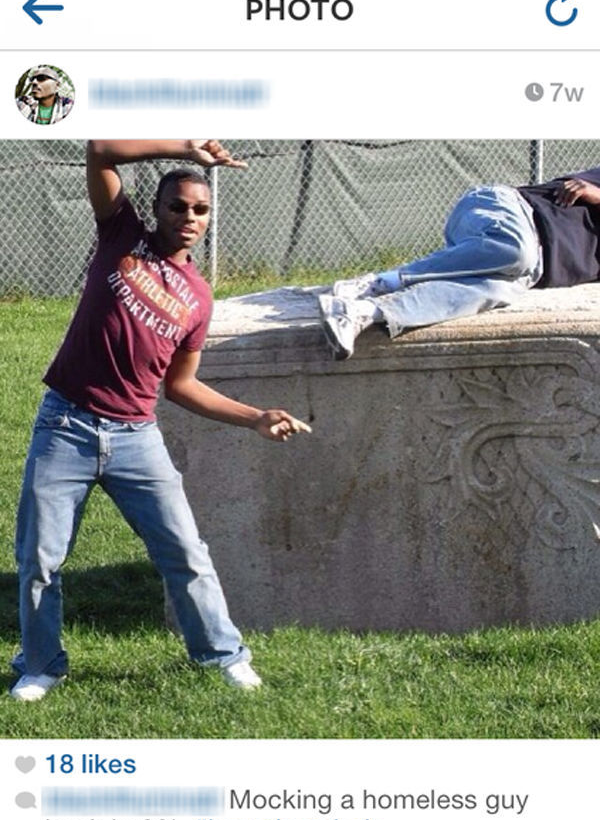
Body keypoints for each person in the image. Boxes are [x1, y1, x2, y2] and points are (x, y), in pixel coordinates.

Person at [11, 139, 310, 701]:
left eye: (200, 210)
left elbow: (181, 385)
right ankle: (41, 665)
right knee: (40, 559)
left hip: (135, 438)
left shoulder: (198, 296)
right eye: (178, 206)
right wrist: (186, 149)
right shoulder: (121, 237)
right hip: (66, 426)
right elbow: (100, 151)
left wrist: (256, 417)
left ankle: (222, 655)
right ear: (158, 209)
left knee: (185, 554)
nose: (190, 217)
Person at [318, 171, 600, 359]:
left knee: (496, 292)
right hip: (507, 212)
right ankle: (379, 283)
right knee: (517, 251)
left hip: (526, 272)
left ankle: (363, 312)